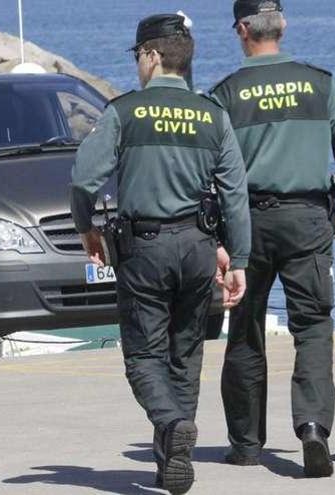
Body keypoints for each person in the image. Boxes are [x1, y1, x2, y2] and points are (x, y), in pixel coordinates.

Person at [70, 13, 251, 494]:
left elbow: (82, 179)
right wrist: (241, 261)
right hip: (197, 248)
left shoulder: (124, 112)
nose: (137, 65)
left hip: (145, 249)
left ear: (151, 55)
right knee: (185, 357)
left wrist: (86, 227)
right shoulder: (214, 115)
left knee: (143, 357)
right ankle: (171, 463)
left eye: (137, 56)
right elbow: (235, 195)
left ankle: (171, 426)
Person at [210, 0, 335, 477]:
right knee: (314, 327)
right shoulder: (318, 83)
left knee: (245, 328)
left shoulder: (226, 93)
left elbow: (210, 171)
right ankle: (314, 426)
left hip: (248, 223)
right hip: (308, 219)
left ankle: (246, 443)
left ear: (242, 29)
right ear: (282, 25)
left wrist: (217, 235)